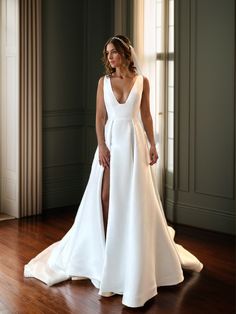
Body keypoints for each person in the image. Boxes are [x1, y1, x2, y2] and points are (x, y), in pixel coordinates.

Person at [24, 35, 203, 308]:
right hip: (111, 146)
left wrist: (153, 145)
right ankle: (107, 249)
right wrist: (102, 146)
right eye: (107, 53)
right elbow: (99, 117)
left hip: (134, 144)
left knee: (133, 200)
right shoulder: (103, 83)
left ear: (125, 54)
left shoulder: (142, 82)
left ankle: (130, 253)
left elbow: (145, 116)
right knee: (105, 197)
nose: (110, 58)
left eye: (114, 53)